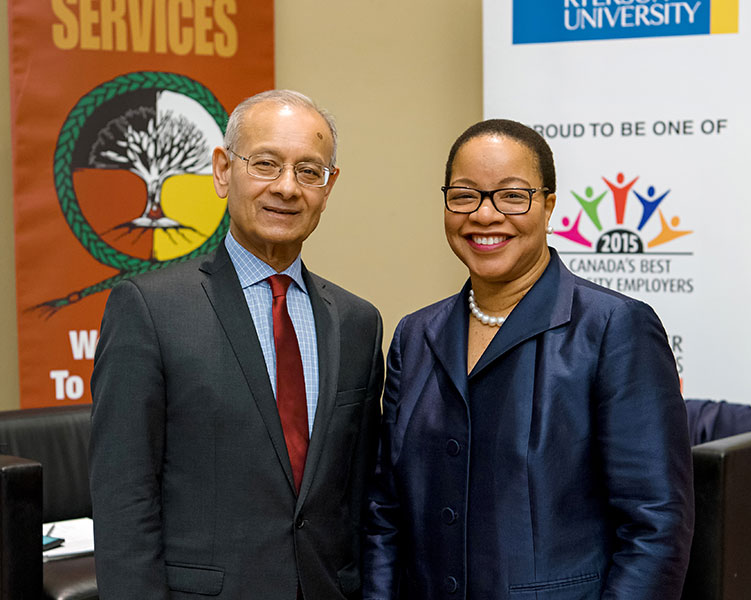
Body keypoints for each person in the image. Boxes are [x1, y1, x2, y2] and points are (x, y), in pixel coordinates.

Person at [362, 119, 694, 599]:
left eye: (512, 196)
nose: (485, 214)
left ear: (548, 206)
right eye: (464, 195)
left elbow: (655, 526)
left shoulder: (613, 328)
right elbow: (385, 512)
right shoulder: (415, 336)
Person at [90, 90, 384, 599]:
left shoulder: (358, 323)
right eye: (266, 164)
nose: (287, 188)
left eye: (309, 171)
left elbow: (357, 498)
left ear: (328, 186)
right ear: (224, 171)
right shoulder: (148, 309)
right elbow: (123, 500)